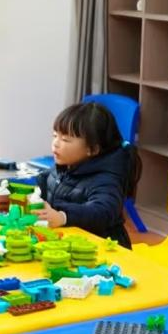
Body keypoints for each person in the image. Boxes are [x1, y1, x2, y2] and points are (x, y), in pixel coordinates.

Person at [32, 102, 142, 248]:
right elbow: (42, 184)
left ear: (92, 149)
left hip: (104, 248)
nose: (55, 144)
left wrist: (63, 217)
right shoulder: (65, 167)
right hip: (72, 242)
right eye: (55, 136)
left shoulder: (105, 179)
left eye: (65, 139)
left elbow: (102, 212)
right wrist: (8, 190)